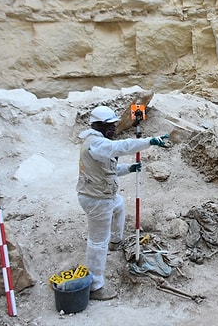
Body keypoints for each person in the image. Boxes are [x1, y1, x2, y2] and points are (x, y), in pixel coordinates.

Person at [76, 105, 169, 300]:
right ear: (99, 125)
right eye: (110, 125)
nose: (114, 128)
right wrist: (148, 141)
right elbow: (121, 147)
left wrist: (130, 168)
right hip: (97, 200)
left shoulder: (99, 143)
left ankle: (116, 241)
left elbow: (108, 171)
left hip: (103, 195)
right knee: (97, 242)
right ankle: (95, 286)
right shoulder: (97, 144)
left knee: (119, 205)